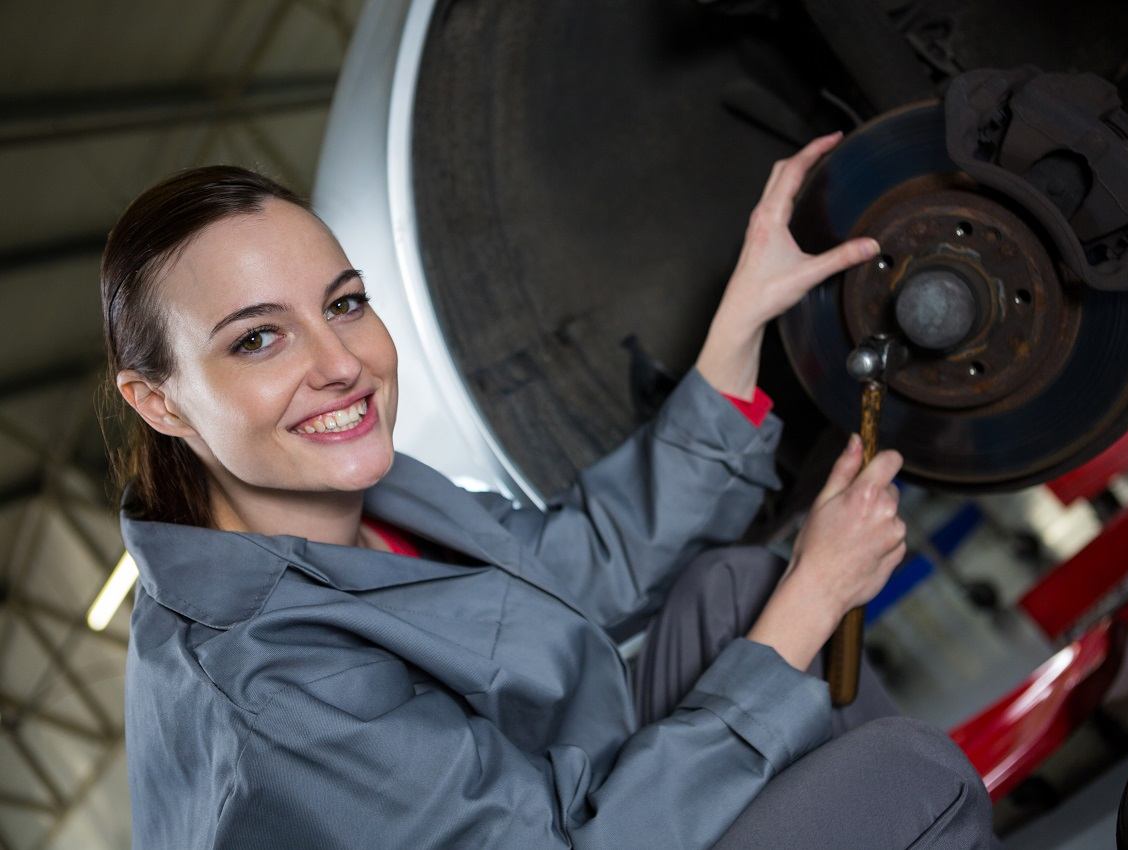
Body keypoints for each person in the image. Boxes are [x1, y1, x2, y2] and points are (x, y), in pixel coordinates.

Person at [102, 131, 995, 849]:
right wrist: (817, 595)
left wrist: (741, 320)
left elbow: (575, 568)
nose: (341, 365)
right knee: (907, 777)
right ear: (159, 402)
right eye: (257, 339)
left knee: (736, 592)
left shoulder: (365, 501)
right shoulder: (267, 692)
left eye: (343, 304)